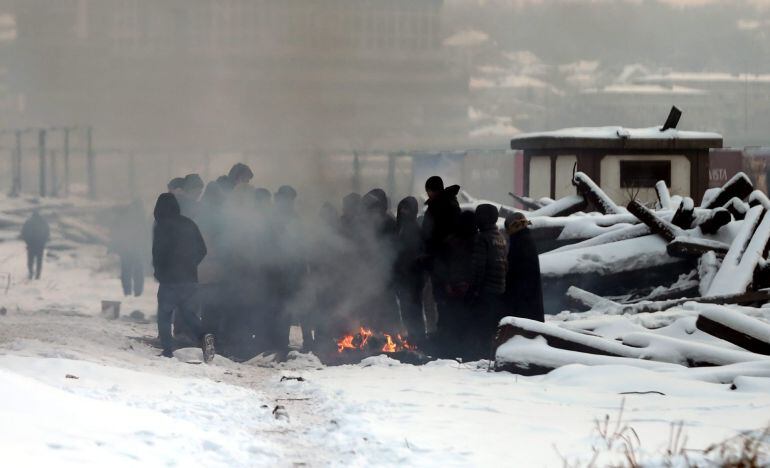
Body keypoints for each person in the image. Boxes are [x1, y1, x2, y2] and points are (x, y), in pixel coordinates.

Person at [151, 193, 215, 362]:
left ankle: (167, 350)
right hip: (190, 278)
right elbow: (203, 249)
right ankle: (204, 335)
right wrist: (191, 264)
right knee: (188, 313)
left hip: (169, 280)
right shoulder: (189, 224)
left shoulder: (161, 226)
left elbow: (158, 253)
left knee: (165, 315)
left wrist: (159, 272)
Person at [468, 203, 507, 360]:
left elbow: (479, 267)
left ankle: (481, 358)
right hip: (499, 289)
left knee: (482, 328)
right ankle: (490, 356)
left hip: (485, 290)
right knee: (492, 328)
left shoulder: (482, 238)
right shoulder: (500, 237)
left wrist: (474, 291)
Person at [436, 210, 476, 358]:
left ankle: (453, 351)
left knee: (455, 322)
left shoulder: (474, 241)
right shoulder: (456, 241)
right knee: (456, 322)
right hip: (458, 288)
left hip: (461, 288)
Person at [395, 196, 425, 344]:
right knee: (406, 310)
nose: (403, 211)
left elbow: (417, 254)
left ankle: (418, 339)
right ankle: (413, 338)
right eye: (401, 208)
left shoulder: (415, 228)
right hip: (402, 276)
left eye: (406, 208)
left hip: (413, 277)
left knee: (414, 310)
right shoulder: (399, 227)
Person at [504, 213, 545, 322]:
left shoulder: (519, 242)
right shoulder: (526, 238)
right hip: (530, 299)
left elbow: (515, 272)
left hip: (523, 301)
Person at [109, 200, 148, 296]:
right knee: (137, 270)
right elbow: (145, 233)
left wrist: (114, 246)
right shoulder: (140, 217)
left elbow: (115, 232)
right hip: (135, 247)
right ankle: (137, 293)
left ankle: (128, 292)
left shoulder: (124, 215)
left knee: (127, 270)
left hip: (127, 247)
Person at [20, 210, 50, 280]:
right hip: (40, 245)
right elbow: (47, 233)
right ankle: (38, 275)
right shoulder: (43, 222)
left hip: (31, 244)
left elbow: (24, 233)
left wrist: (27, 242)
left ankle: (31, 273)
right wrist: (44, 242)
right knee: (39, 261)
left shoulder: (28, 222)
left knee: (30, 260)